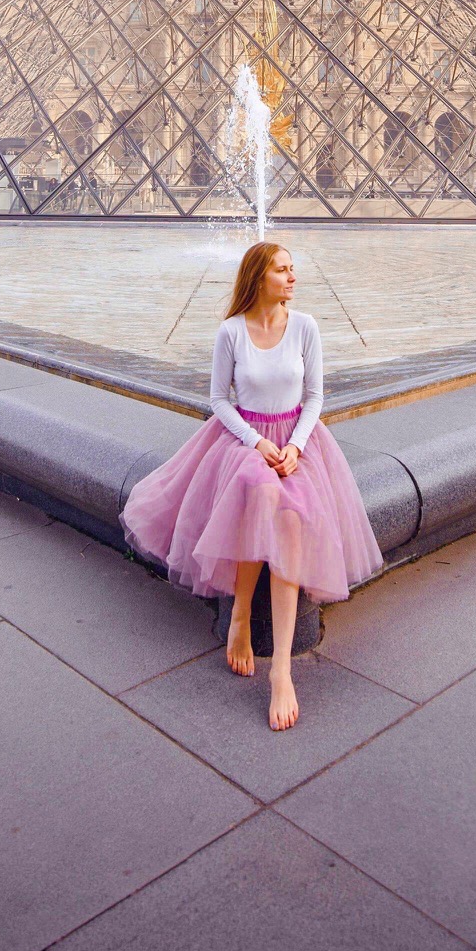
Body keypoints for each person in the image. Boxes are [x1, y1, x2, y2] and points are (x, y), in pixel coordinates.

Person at [122, 240, 382, 730]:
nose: (292, 277)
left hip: (298, 443)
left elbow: (315, 397)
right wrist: (258, 444)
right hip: (244, 442)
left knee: (285, 515)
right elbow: (220, 401)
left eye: (292, 269)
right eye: (282, 270)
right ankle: (240, 614)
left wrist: (296, 448)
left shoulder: (304, 327)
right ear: (258, 276)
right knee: (260, 493)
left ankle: (280, 669)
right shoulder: (231, 333)